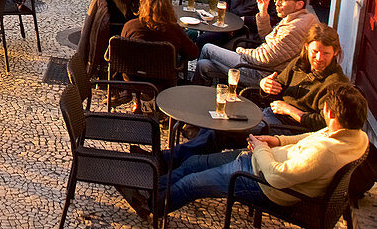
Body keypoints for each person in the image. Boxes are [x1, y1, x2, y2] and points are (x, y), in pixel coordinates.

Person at [156, 82, 369, 216]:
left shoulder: (326, 152)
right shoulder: (356, 135)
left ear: (331, 115)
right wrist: (275, 141)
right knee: (194, 163)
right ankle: (152, 187)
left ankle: (152, 205)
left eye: (324, 111)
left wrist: (260, 148)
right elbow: (312, 135)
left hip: (264, 183)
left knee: (191, 183)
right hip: (258, 161)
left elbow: (276, 177)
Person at [164, 23, 348, 166]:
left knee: (219, 131)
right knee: (215, 123)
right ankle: (179, 162)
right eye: (315, 52)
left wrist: (291, 110)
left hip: (288, 131)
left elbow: (325, 125)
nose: (319, 58)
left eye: (326, 54)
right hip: (268, 113)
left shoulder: (335, 84)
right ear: (307, 47)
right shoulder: (299, 64)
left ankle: (169, 160)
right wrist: (265, 85)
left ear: (335, 53)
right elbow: (276, 88)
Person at [194, 0, 317, 88]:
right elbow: (267, 37)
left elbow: (264, 58)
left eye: (283, 0)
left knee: (207, 48)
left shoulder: (295, 28)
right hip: (259, 65)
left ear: (299, 4)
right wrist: (263, 12)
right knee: (203, 65)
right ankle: (201, 93)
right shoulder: (295, 18)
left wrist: (241, 51)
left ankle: (192, 93)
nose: (277, 3)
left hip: (263, 74)